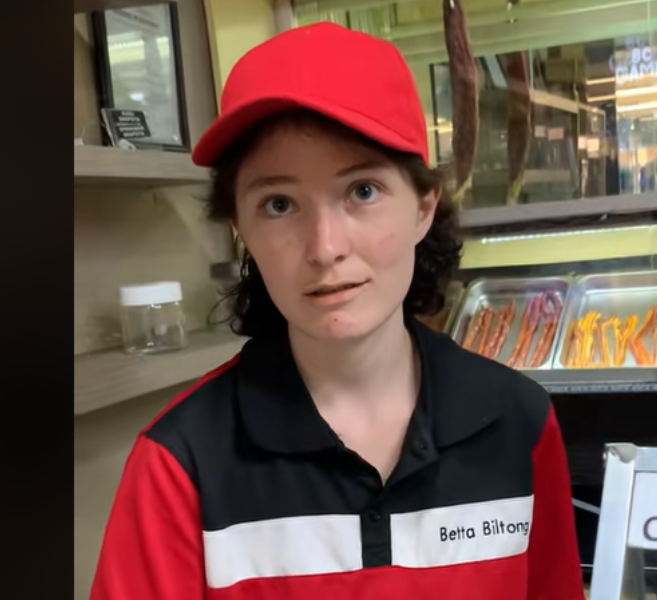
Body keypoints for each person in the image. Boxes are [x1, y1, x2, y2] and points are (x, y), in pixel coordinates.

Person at [90, 22, 584, 600]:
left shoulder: (517, 423)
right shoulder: (181, 463)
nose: (325, 248)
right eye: (279, 204)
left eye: (362, 191)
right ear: (240, 227)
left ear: (423, 207)